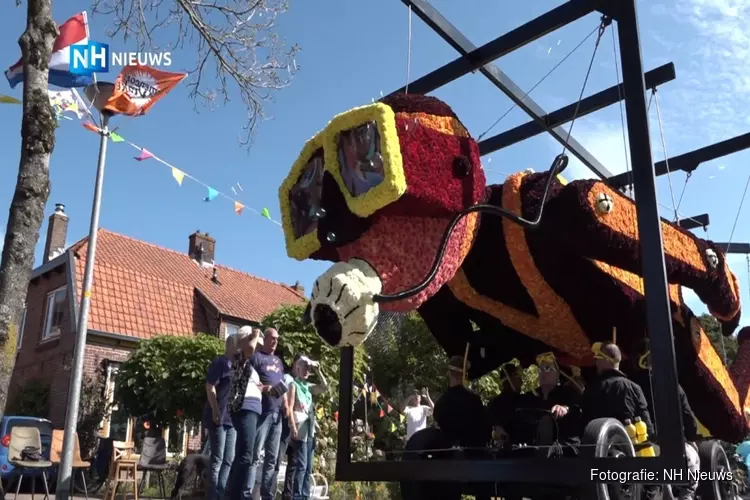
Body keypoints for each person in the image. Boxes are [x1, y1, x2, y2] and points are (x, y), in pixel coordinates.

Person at [631, 347, 700, 500]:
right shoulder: (673, 384)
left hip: (638, 442)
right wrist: (691, 437)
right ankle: (686, 496)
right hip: (671, 443)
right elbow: (687, 414)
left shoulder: (632, 384)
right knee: (694, 461)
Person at [248, 328, 287, 500]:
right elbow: (249, 382)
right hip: (262, 413)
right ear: (265, 339)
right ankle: (247, 494)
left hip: (277, 414)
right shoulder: (256, 358)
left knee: (272, 459)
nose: (275, 342)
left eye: (277, 339)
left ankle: (267, 496)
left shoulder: (278, 361)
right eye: (272, 339)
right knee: (255, 455)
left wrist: (285, 403)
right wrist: (264, 389)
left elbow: (283, 385)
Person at [227, 327, 262, 500]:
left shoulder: (248, 364)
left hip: (252, 409)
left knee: (243, 454)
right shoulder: (239, 356)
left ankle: (231, 495)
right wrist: (255, 335)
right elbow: (249, 349)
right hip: (245, 408)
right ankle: (234, 496)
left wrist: (266, 388)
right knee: (246, 455)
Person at [287, 354, 329, 500]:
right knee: (302, 465)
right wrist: (292, 426)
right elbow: (290, 407)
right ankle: (297, 496)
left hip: (310, 429)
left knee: (308, 467)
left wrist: (318, 371)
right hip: (300, 429)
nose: (306, 370)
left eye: (308, 368)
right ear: (297, 369)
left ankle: (305, 496)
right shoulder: (294, 385)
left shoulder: (308, 387)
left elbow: (325, 388)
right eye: (303, 367)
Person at [203, 334, 238, 500]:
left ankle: (220, 494)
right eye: (237, 344)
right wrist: (215, 410)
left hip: (232, 420)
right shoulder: (220, 362)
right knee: (217, 458)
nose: (239, 348)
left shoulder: (238, 366)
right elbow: (210, 387)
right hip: (218, 417)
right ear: (230, 344)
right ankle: (212, 496)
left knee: (228, 459)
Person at [528, 352, 582, 453]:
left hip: (565, 449)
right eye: (540, 369)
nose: (542, 372)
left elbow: (577, 408)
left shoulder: (568, 392)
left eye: (547, 368)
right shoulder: (529, 397)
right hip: (534, 451)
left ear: (557, 373)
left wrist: (565, 408)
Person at [433, 356, 489, 450]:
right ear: (465, 375)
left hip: (449, 458)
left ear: (449, 374)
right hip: (472, 457)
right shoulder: (474, 400)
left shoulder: (441, 403)